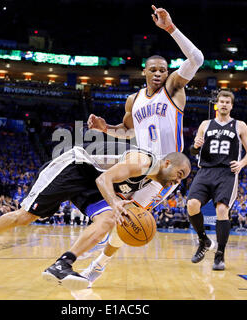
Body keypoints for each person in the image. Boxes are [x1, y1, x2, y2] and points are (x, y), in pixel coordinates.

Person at [0, 146, 191, 292]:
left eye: (182, 179)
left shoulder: (154, 183)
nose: (177, 181)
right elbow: (103, 180)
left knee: (109, 219)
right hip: (74, 169)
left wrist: (119, 212)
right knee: (24, 217)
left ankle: (62, 264)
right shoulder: (144, 162)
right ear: (167, 163)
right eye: (179, 174)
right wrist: (116, 202)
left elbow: (126, 214)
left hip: (89, 185)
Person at [83, 4, 203, 286]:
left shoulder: (174, 88)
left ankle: (98, 265)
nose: (159, 73)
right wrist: (106, 128)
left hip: (163, 173)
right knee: (89, 172)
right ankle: (90, 236)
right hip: (138, 161)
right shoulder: (133, 100)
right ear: (145, 72)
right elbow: (127, 131)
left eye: (163, 69)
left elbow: (196, 58)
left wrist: (170, 28)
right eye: (154, 69)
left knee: (129, 219)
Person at [187, 90, 247, 270]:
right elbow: (193, 151)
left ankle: (220, 255)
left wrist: (241, 164)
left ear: (231, 106)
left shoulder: (239, 125)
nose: (224, 104)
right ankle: (203, 240)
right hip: (205, 171)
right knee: (192, 204)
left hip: (226, 173)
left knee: (222, 210)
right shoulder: (205, 124)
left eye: (227, 102)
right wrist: (195, 146)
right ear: (217, 104)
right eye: (221, 101)